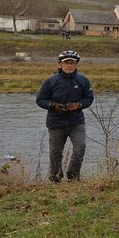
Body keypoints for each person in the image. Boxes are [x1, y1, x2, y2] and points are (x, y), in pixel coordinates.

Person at [35, 50, 95, 181]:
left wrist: (78, 105)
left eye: (72, 63)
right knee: (56, 152)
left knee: (80, 148)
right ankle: (55, 178)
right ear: (60, 64)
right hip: (56, 122)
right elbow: (40, 100)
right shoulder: (50, 81)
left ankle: (73, 177)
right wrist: (53, 105)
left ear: (76, 65)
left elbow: (89, 98)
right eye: (66, 63)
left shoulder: (83, 80)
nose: (69, 65)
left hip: (77, 122)